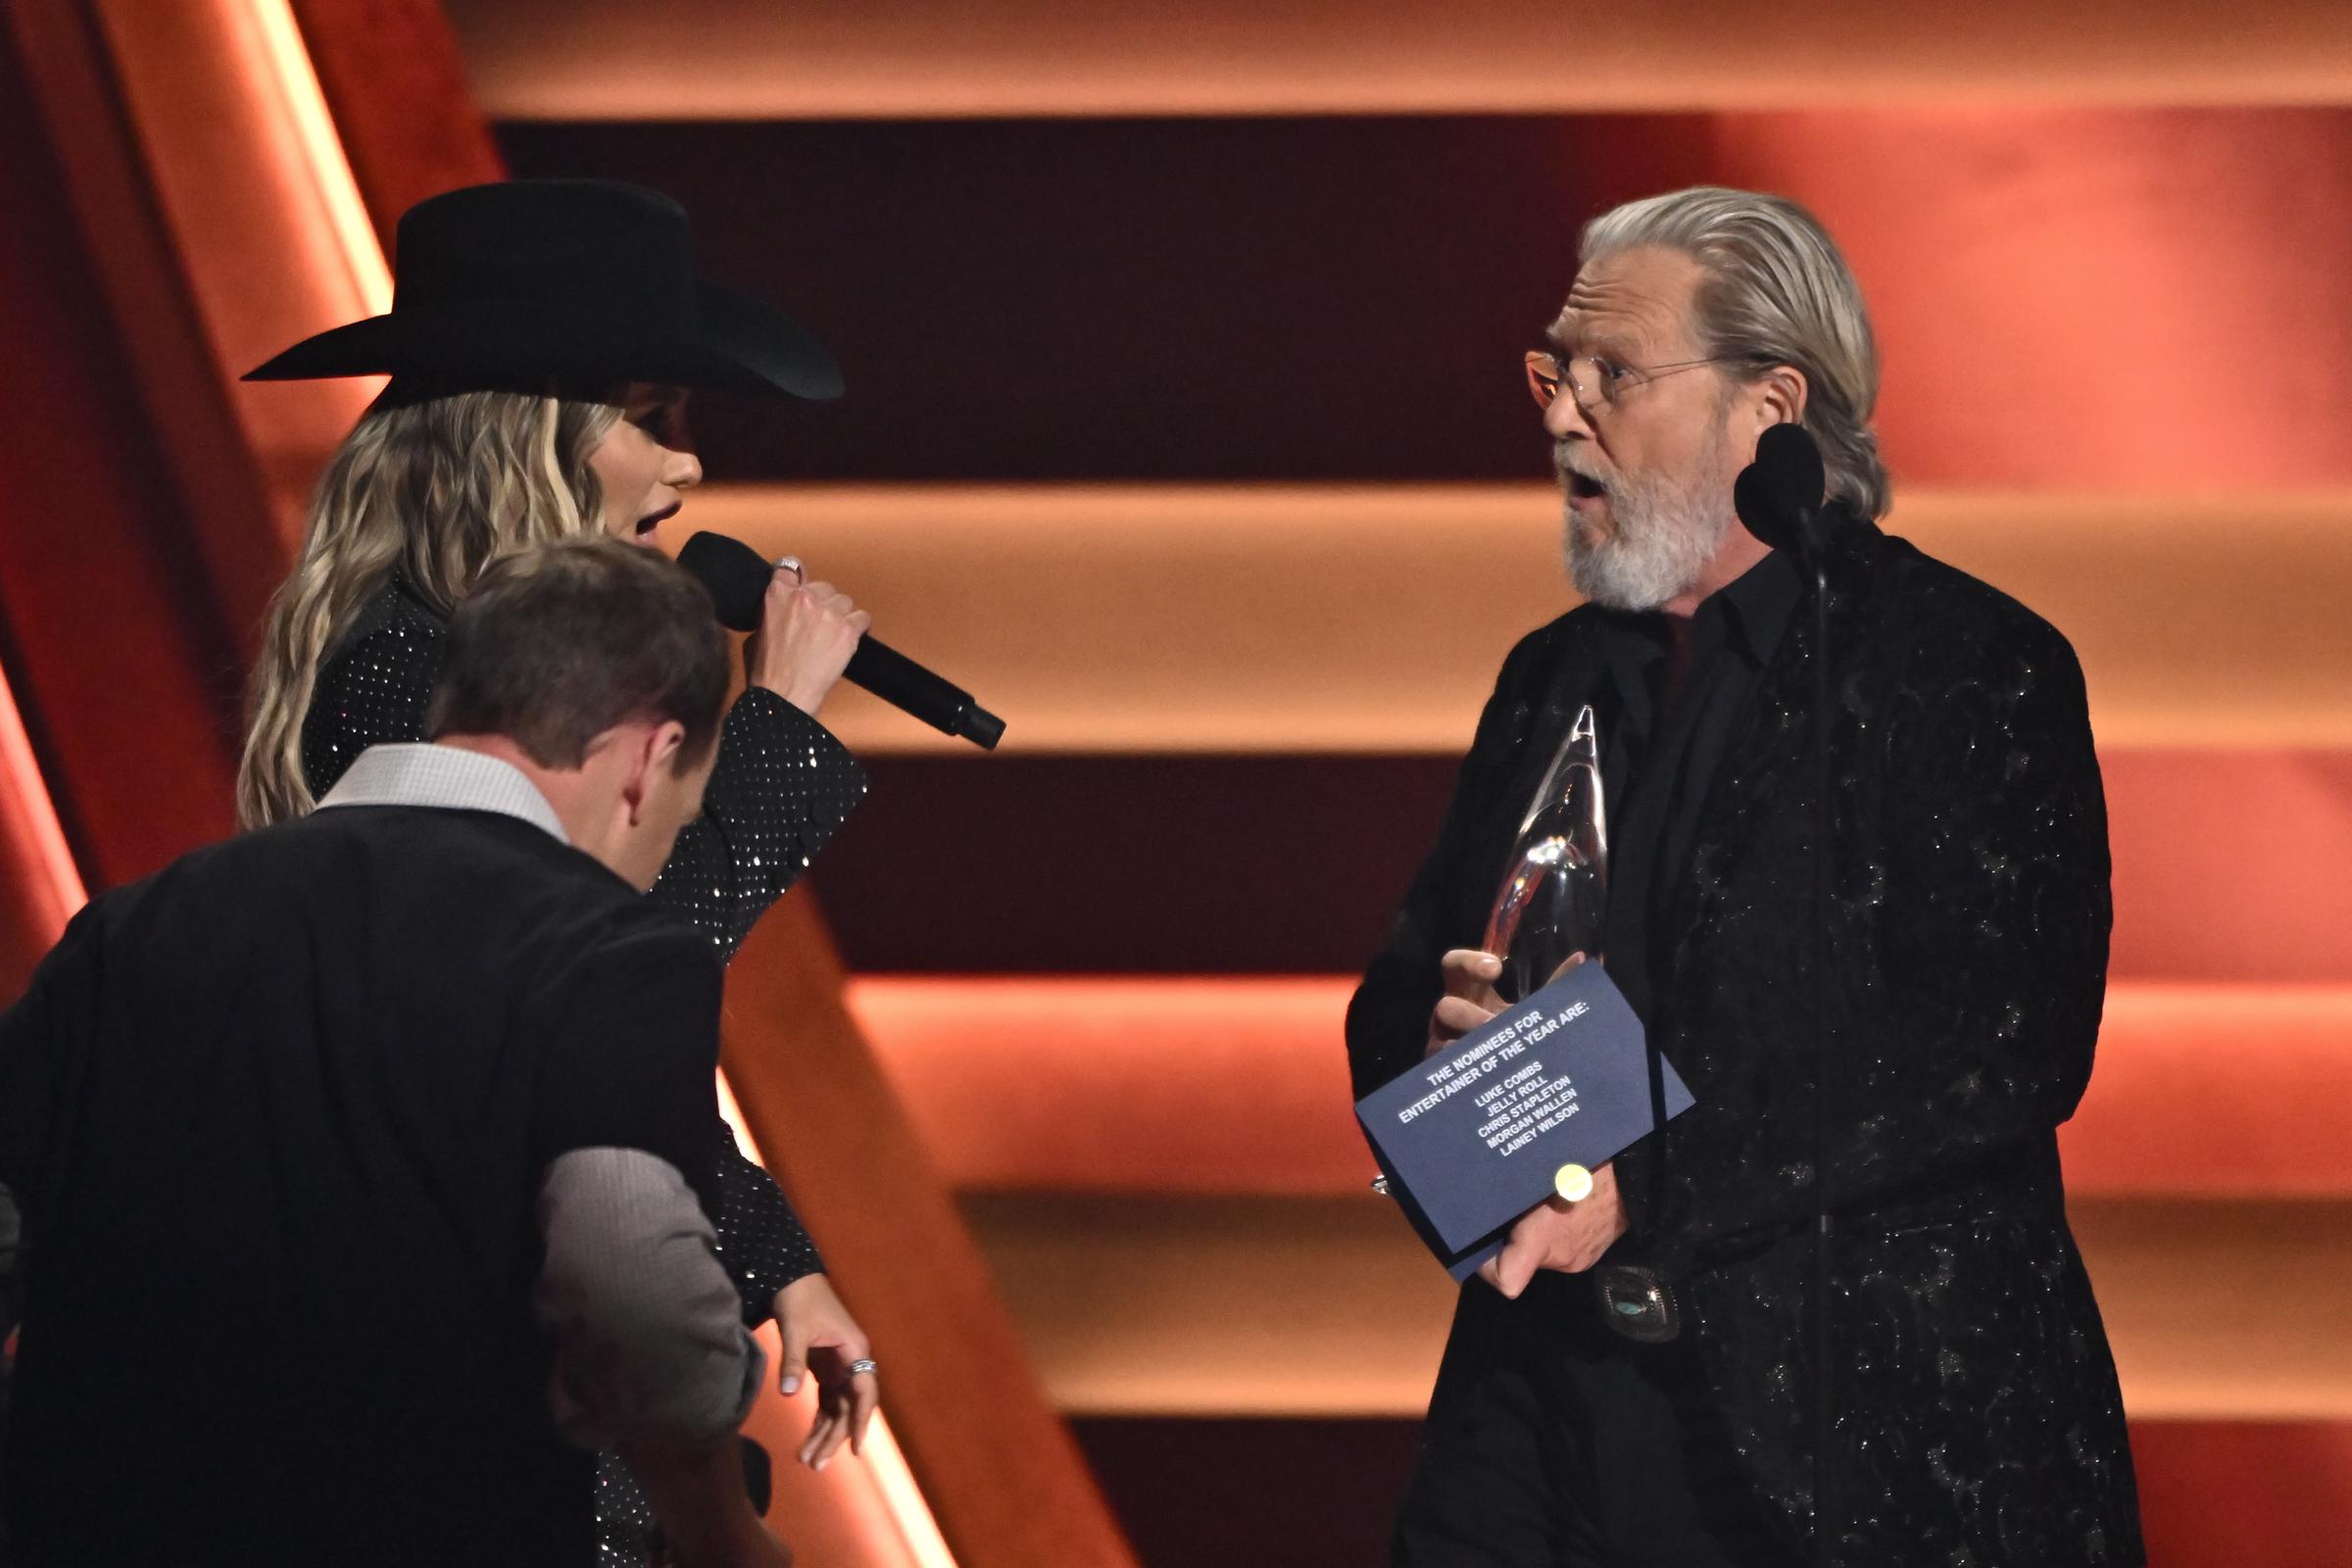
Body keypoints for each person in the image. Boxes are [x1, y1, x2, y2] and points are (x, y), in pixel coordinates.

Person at [1347, 186, 2142, 1565]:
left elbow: (1999, 1046)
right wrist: (1440, 1062)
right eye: (1554, 370)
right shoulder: (1552, 678)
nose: (1558, 414)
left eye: (1614, 376)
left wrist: (1642, 1185)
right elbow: (1399, 991)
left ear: (1770, 406)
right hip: (1544, 1411)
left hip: (1844, 1416)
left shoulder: (1962, 664)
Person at [235, 178, 880, 1561]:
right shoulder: (405, 671)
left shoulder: (447, 661)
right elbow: (606, 989)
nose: (689, 470)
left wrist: (783, 1268)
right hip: (466, 1437)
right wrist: (773, 734)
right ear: (524, 434)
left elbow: (591, 1070)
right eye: (650, 418)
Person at [0, 540, 788, 1566]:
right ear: (650, 756)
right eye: (686, 809)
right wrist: (728, 1537)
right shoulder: (614, 955)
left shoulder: (135, 925)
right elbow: (629, 1283)